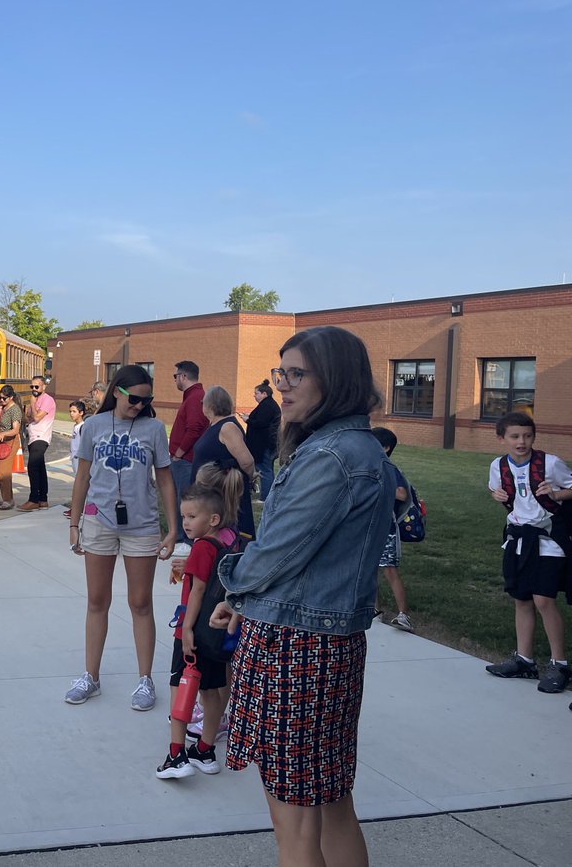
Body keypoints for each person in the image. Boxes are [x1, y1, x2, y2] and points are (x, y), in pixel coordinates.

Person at [209, 325, 393, 867]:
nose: (282, 387)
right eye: (279, 372)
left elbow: (278, 550)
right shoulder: (359, 449)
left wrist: (233, 584)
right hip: (326, 644)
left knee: (293, 826)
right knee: (333, 802)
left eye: (297, 374)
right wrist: (241, 600)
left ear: (333, 381)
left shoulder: (331, 456)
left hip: (296, 649)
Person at [65, 365, 177, 711]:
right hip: (99, 522)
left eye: (147, 400)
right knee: (97, 601)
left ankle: (145, 679)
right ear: (117, 391)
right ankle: (91, 676)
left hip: (141, 525)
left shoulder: (154, 429)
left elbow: (165, 480)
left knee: (140, 603)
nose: (140, 405)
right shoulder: (94, 426)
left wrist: (172, 528)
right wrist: (75, 520)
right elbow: (82, 477)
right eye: (135, 398)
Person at [485, 411, 572, 693]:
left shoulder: (550, 463)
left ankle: (560, 663)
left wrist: (557, 494)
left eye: (527, 435)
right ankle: (524, 660)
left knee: (543, 599)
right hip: (517, 537)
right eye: (514, 436)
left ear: (534, 436)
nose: (521, 441)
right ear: (502, 439)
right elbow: (500, 491)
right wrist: (496, 496)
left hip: (547, 538)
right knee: (521, 598)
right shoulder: (498, 466)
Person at [157, 482, 239, 780]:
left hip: (191, 632)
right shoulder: (227, 540)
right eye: (183, 517)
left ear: (212, 519)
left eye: (192, 517)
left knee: (181, 688)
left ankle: (176, 754)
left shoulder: (202, 546)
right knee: (210, 690)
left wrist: (187, 628)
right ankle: (205, 749)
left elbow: (198, 589)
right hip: (215, 632)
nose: (185, 523)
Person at [192, 385, 257, 540]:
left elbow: (247, 461)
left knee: (228, 541)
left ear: (211, 405)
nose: (202, 405)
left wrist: (246, 480)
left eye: (203, 402)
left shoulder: (227, 427)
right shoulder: (215, 425)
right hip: (210, 496)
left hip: (224, 497)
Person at [371, 427, 414, 632]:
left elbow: (402, 494)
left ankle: (404, 615)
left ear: (386, 448)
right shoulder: (368, 465)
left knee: (389, 571)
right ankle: (374, 610)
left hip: (386, 529)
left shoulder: (388, 468)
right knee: (368, 570)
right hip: (367, 527)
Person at [167, 361, 209, 542]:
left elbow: (194, 429)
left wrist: (179, 453)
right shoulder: (192, 396)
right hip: (184, 459)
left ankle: (186, 539)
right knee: (179, 499)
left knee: (184, 501)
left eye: (175, 376)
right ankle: (178, 536)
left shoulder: (195, 397)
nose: (175, 379)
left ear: (183, 376)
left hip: (186, 460)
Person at [19, 375, 56, 511]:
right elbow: (27, 418)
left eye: (36, 386)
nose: (34, 389)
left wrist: (33, 404)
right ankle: (43, 500)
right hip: (32, 436)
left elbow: (36, 417)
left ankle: (34, 499)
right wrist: (31, 406)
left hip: (42, 437)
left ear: (43, 387)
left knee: (32, 466)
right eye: (32, 386)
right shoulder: (34, 400)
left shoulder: (48, 400)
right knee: (40, 468)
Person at [245, 380, 281, 502]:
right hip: (265, 443)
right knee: (264, 468)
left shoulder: (267, 406)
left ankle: (266, 497)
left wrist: (247, 420)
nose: (254, 395)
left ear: (264, 394)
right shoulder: (268, 405)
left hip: (264, 444)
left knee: (265, 470)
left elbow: (261, 423)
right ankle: (266, 494)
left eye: (256, 393)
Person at [0, 385, 24, 510]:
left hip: (11, 441)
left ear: (11, 397)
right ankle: (6, 497)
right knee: (1, 471)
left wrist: (2, 433)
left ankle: (8, 500)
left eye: (4, 398)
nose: (1, 400)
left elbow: (15, 430)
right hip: (2, 441)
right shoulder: (4, 408)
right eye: (0, 397)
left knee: (4, 473)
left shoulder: (14, 410)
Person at [64, 400, 87, 518]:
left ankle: (79, 509)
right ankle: (77, 508)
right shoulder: (75, 426)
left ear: (81, 413)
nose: (71, 414)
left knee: (81, 485)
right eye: (70, 411)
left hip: (80, 459)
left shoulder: (83, 427)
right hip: (74, 458)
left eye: (74, 411)